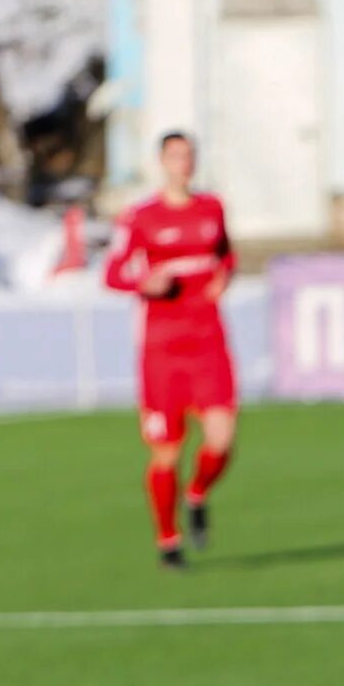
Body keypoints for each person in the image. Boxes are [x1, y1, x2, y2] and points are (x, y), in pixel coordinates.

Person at [104, 131, 239, 568]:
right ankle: (168, 539)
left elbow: (227, 255)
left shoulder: (212, 208)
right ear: (162, 162)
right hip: (162, 349)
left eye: (189, 155)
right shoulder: (139, 217)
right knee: (167, 451)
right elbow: (112, 274)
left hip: (208, 340)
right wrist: (143, 282)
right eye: (175, 156)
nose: (183, 163)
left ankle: (197, 493)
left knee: (221, 438)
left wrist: (224, 276)